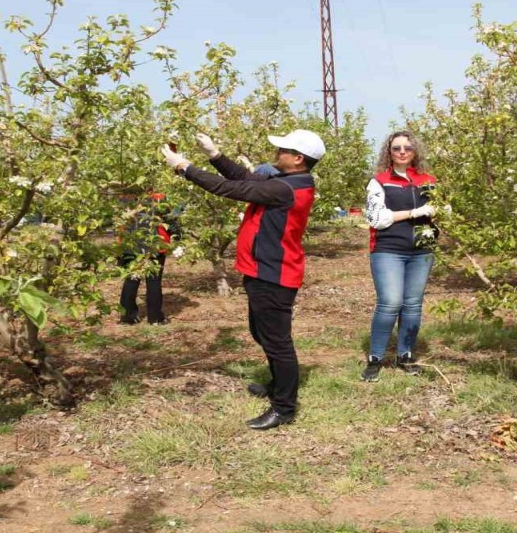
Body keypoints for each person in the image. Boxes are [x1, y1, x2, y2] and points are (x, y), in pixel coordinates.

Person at [161, 130, 323, 430]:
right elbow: (244, 178)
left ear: (298, 159)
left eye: (283, 150)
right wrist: (214, 155)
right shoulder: (284, 181)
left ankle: (284, 408)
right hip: (262, 271)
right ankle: (278, 387)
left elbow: (228, 188)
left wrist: (184, 167)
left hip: (273, 275)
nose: (277, 153)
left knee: (277, 342)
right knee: (261, 333)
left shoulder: (286, 189)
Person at [361, 131, 439, 381]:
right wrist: (415, 212)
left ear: (415, 151)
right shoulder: (379, 181)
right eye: (397, 148)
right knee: (390, 302)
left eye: (408, 147)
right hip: (388, 249)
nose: (403, 152)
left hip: (422, 250)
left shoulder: (429, 180)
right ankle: (376, 358)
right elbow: (376, 219)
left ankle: (405, 355)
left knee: (413, 304)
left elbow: (439, 210)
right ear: (389, 152)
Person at [118, 192, 182, 325]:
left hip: (131, 243)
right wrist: (177, 234)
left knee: (131, 280)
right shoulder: (158, 197)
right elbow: (170, 219)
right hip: (155, 244)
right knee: (153, 281)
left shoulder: (125, 196)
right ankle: (155, 318)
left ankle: (127, 317)